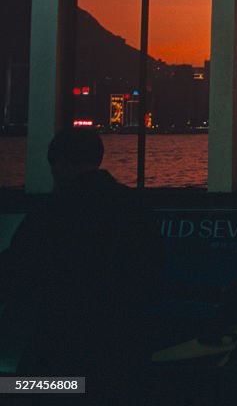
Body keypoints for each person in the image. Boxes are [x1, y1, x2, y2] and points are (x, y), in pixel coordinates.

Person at [0, 128, 163, 397]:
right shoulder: (135, 208)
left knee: (16, 389)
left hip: (62, 352)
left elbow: (18, 269)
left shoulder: (53, 212)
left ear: (59, 164)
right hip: (124, 353)